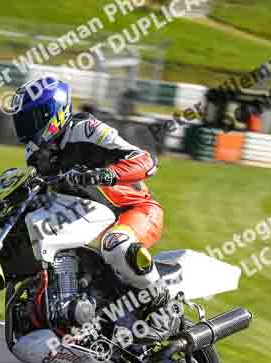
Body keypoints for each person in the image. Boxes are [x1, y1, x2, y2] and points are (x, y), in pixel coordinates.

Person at [11, 77, 180, 339]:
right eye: (21, 121)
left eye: (30, 120)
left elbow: (146, 161)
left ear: (52, 113)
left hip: (136, 209)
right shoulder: (43, 156)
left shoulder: (85, 129)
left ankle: (165, 306)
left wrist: (103, 174)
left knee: (117, 242)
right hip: (95, 220)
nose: (25, 129)